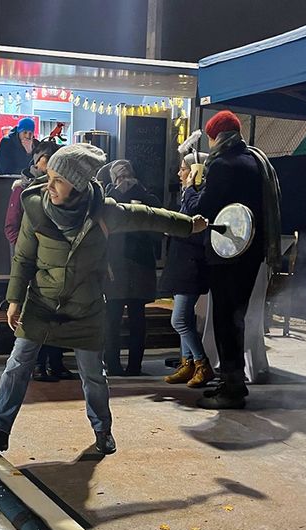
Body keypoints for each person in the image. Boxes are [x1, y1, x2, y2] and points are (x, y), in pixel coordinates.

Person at [0, 143, 207, 458]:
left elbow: (148, 217)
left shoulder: (103, 211)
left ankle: (103, 430)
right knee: (17, 364)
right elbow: (23, 258)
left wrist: (189, 225)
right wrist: (14, 300)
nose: (49, 185)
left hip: (86, 305)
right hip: (42, 303)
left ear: (77, 184)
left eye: (58, 180)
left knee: (93, 373)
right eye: (49, 177)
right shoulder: (36, 207)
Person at [195, 110, 281, 410]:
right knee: (236, 318)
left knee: (225, 320)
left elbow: (205, 207)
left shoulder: (221, 164)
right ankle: (231, 380)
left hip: (228, 251)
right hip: (251, 250)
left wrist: (193, 189)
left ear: (216, 136)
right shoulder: (256, 160)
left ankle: (232, 387)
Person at [4, 139, 76, 382]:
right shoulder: (23, 188)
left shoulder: (64, 187)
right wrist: (29, 250)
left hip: (56, 264)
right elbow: (11, 226)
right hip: (30, 263)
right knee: (35, 315)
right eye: (47, 159)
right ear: (37, 161)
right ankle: (37, 364)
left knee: (58, 314)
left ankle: (56, 362)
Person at [159, 151, 215, 388]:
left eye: (184, 169)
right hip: (181, 264)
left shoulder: (199, 196)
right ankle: (188, 363)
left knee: (179, 319)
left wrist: (191, 188)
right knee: (186, 318)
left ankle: (202, 364)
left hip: (191, 266)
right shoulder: (186, 197)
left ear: (196, 172)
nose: (179, 174)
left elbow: (194, 221)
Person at [102, 160, 161, 376]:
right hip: (131, 264)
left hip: (123, 264)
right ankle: (125, 365)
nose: (124, 181)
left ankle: (120, 365)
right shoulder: (144, 197)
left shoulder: (112, 198)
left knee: (119, 318)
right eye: (122, 177)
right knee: (130, 318)